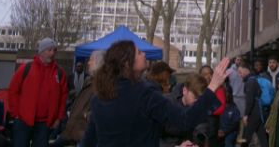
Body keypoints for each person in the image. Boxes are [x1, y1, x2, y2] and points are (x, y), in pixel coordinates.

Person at [81, 40, 229, 147]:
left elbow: (89, 140)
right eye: (139, 52)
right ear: (127, 63)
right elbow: (184, 120)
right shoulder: (144, 94)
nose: (144, 54)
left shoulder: (98, 98)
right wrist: (213, 85)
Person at [8, 38, 68, 147]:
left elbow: (63, 97)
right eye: (49, 50)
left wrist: (58, 118)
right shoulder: (26, 68)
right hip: (23, 121)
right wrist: (16, 113)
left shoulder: (59, 73)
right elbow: (13, 91)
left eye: (54, 50)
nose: (52, 53)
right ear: (41, 52)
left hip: (45, 123)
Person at [53, 50, 105, 146]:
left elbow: (100, 108)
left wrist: (86, 116)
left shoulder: (102, 83)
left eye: (91, 60)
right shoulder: (89, 80)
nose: (88, 63)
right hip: (74, 128)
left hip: (84, 131)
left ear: (99, 62)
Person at [159, 73, 211, 147]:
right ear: (184, 90)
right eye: (195, 97)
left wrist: (196, 143)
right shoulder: (164, 104)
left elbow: (201, 131)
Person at [239, 61, 268, 147]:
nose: (239, 74)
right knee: (262, 137)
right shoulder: (254, 79)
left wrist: (246, 115)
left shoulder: (250, 82)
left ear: (246, 70)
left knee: (245, 137)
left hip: (253, 114)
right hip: (258, 112)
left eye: (240, 72)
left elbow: (249, 100)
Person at [200, 65, 226, 147]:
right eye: (205, 74)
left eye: (210, 74)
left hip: (212, 125)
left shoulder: (219, 88)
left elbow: (221, 108)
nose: (208, 76)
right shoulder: (197, 88)